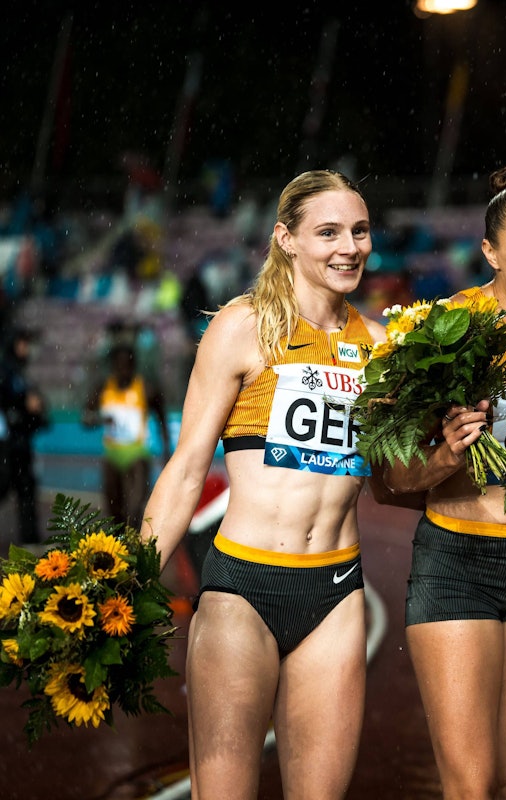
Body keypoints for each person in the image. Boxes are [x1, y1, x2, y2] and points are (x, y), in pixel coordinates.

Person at [139, 169, 386, 799]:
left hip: (335, 592)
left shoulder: (383, 346)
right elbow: (188, 467)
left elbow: (396, 480)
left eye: (358, 231)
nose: (348, 247)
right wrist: (130, 584)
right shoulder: (243, 327)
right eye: (327, 232)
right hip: (242, 587)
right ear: (286, 240)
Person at [379, 163, 506, 799]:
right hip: (458, 562)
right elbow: (388, 479)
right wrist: (447, 452)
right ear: (491, 251)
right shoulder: (442, 329)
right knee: (470, 786)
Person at [83, 341, 171, 529]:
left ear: (133, 365)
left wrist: (166, 454)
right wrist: (99, 420)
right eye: (118, 365)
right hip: (112, 456)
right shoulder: (103, 388)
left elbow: (162, 419)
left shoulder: (146, 389)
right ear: (112, 366)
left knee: (133, 511)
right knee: (114, 514)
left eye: (126, 365)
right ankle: (119, 550)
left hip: (137, 455)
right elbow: (85, 419)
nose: (122, 370)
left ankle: (134, 550)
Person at [0, 326, 48, 543]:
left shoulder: (17, 371)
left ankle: (30, 538)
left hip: (18, 441)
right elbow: (13, 399)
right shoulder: (7, 370)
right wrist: (24, 402)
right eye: (22, 343)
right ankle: (30, 538)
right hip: (8, 442)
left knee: (25, 489)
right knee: (10, 486)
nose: (26, 348)